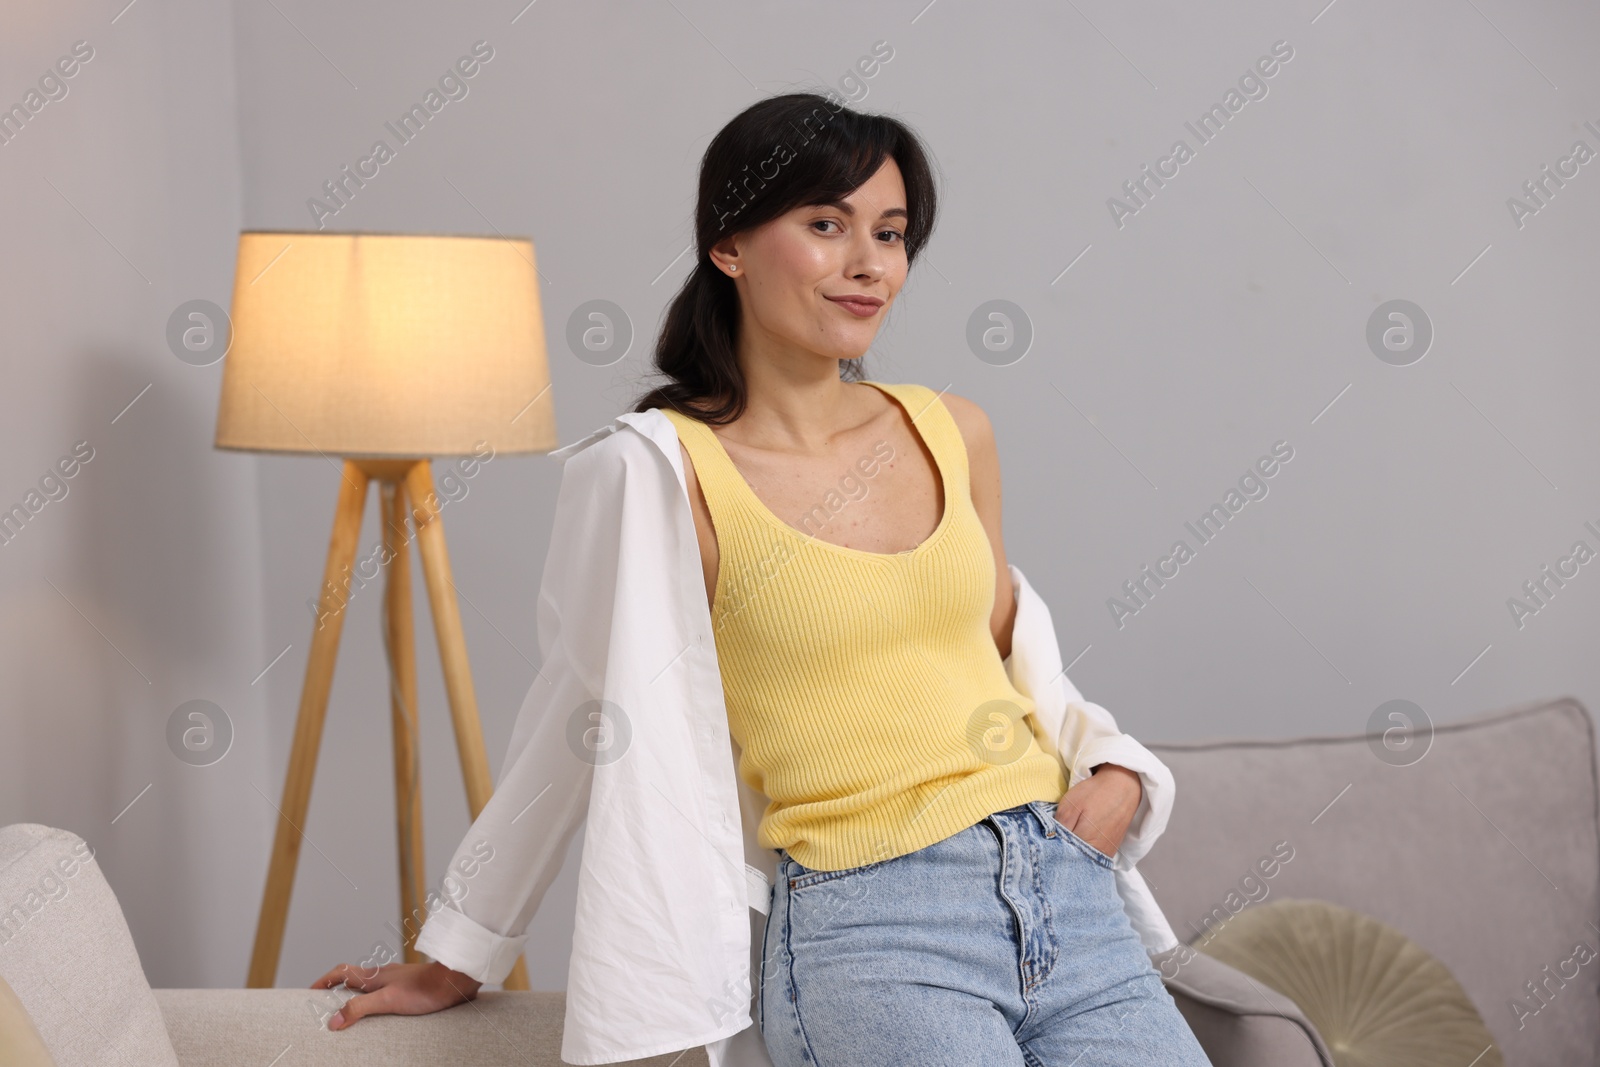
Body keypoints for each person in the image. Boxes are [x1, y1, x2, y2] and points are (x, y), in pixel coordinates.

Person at [312, 91, 1212, 1066]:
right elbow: (580, 709)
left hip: (1064, 893)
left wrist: (1116, 765)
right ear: (729, 245)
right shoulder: (655, 473)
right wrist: (461, 949)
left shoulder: (954, 430)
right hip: (873, 923)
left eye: (891, 232)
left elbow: (1009, 663)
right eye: (825, 224)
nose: (869, 262)